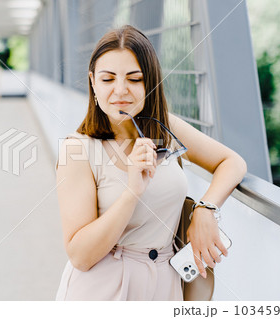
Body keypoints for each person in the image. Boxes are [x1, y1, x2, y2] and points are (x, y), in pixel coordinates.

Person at [54, 25, 247, 301]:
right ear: (93, 83)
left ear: (150, 83)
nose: (120, 90)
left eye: (134, 79)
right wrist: (132, 190)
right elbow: (80, 256)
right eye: (108, 79)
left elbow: (232, 162)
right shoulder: (78, 149)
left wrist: (205, 209)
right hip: (103, 291)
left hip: (164, 287)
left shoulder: (166, 129)